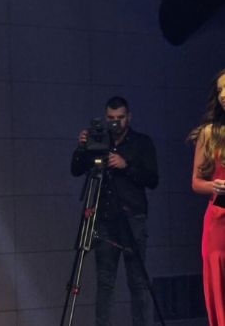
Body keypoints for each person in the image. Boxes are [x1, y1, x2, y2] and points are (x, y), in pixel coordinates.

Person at [71, 96, 159, 326]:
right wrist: (82, 146)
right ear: (105, 117)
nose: (116, 123)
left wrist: (125, 165)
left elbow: (152, 179)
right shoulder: (99, 140)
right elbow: (76, 169)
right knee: (105, 282)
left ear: (129, 117)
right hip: (105, 218)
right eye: (111, 118)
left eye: (120, 118)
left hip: (133, 217)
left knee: (137, 281)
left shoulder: (141, 142)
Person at [189, 68, 225, 326]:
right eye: (220, 90)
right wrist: (214, 186)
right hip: (219, 222)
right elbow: (196, 182)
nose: (223, 95)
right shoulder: (209, 132)